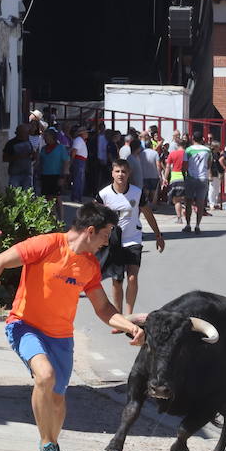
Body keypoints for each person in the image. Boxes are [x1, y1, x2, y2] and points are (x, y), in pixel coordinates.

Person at [0, 203, 144, 451]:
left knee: (57, 401)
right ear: (90, 231)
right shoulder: (45, 245)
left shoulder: (90, 265)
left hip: (61, 338)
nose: (107, 241)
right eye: (106, 234)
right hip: (24, 325)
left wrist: (128, 325)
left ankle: (52, 445)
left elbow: (104, 309)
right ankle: (46, 445)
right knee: (44, 376)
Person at [98, 158, 165, 316]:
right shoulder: (104, 195)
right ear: (112, 173)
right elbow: (95, 217)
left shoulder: (137, 192)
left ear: (129, 174)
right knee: (117, 280)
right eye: (117, 171)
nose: (120, 174)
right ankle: (118, 315)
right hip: (113, 242)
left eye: (124, 171)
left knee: (133, 278)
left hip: (133, 239)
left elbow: (148, 213)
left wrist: (158, 235)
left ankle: (129, 316)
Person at [183, 131, 212, 233]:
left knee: (188, 202)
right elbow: (209, 165)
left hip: (191, 177)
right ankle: (197, 225)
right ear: (202, 139)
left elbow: (185, 166)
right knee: (200, 203)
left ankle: (188, 224)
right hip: (203, 177)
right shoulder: (207, 150)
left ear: (192, 138)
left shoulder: (188, 150)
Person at [39, 128, 70, 220]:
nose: (45, 138)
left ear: (52, 137)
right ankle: (51, 218)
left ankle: (61, 219)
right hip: (45, 175)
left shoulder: (61, 148)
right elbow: (41, 162)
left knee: (57, 198)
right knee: (47, 198)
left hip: (57, 175)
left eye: (46, 136)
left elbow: (66, 162)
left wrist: (63, 176)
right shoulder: (44, 149)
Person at [3, 123, 36, 191]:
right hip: (15, 174)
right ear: (18, 133)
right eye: (25, 133)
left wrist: (34, 156)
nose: (27, 135)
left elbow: (32, 156)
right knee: (14, 193)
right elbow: (4, 158)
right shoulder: (11, 143)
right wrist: (17, 157)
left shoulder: (29, 142)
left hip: (27, 174)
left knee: (27, 195)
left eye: (27, 133)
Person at [140, 137, 161, 216]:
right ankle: (153, 206)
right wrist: (159, 174)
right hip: (153, 175)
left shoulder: (141, 153)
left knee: (145, 191)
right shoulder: (155, 153)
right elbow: (158, 165)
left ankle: (145, 205)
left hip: (144, 175)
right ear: (151, 145)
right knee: (153, 191)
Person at [69, 127, 89, 202]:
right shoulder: (78, 140)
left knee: (79, 179)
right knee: (78, 179)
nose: (87, 134)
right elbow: (74, 151)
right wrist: (72, 161)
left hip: (81, 161)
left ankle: (77, 197)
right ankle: (76, 197)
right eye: (86, 132)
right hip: (78, 161)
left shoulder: (80, 140)